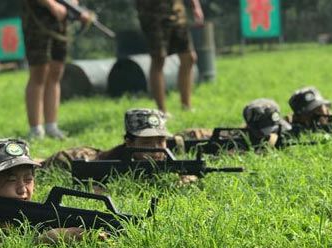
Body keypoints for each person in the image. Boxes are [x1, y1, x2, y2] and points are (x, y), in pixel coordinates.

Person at [23, 0, 90, 140]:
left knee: (56, 72)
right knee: (39, 73)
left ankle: (51, 127)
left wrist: (76, 9)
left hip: (61, 21)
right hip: (38, 18)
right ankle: (35, 130)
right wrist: (51, 4)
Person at [41, 108, 173, 170]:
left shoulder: (168, 162)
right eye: (147, 143)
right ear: (130, 143)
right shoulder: (74, 158)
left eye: (161, 140)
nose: (157, 149)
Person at [135, 0, 204, 116]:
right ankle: (162, 111)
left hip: (176, 10)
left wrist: (196, 6)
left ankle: (186, 106)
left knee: (189, 57)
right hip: (153, 13)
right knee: (158, 59)